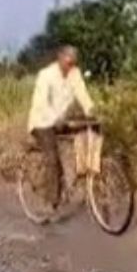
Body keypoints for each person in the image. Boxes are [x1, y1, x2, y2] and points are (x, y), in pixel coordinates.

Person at [27, 45, 95, 206]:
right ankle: (51, 199)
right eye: (68, 62)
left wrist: (90, 109)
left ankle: (83, 176)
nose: (70, 66)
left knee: (89, 133)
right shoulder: (46, 75)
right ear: (60, 58)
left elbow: (82, 94)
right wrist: (55, 118)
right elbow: (41, 103)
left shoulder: (75, 74)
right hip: (42, 121)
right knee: (52, 158)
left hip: (61, 120)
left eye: (73, 62)